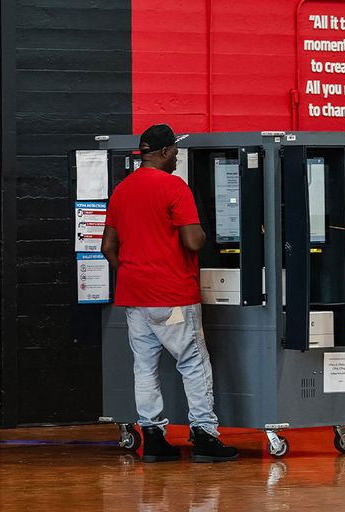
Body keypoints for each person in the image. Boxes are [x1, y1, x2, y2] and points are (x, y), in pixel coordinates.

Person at [100, 124, 238, 463]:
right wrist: (205, 236)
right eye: (174, 151)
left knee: (145, 367)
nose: (176, 156)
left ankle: (154, 438)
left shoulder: (122, 191)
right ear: (163, 153)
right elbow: (192, 241)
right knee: (193, 363)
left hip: (135, 296)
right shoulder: (175, 187)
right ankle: (204, 434)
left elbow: (107, 247)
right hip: (173, 295)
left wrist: (134, 273)